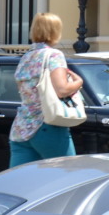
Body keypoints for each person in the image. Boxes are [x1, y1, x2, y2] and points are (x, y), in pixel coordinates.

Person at [9, 12, 84, 167]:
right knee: (67, 176)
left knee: (21, 183)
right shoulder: (54, 55)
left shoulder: (26, 57)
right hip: (46, 125)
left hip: (21, 127)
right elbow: (62, 90)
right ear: (55, 31)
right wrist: (78, 82)